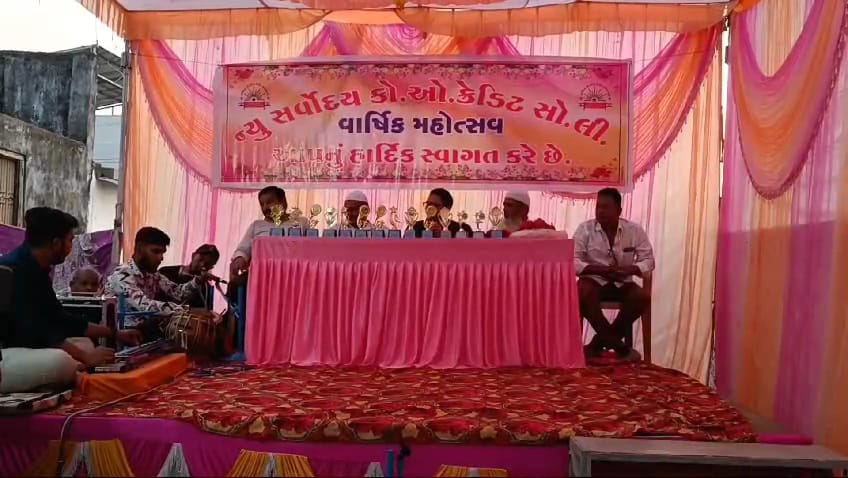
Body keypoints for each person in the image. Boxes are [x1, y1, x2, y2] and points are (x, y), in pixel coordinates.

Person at [0, 207, 140, 393]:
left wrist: (115, 334)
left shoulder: (35, 268)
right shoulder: (15, 270)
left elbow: (60, 319)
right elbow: (39, 331)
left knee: (84, 344)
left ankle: (57, 379)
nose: (71, 246)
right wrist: (87, 358)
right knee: (61, 361)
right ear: (56, 243)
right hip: (5, 354)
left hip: (21, 348)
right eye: (70, 240)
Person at [573, 188, 654, 359]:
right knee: (582, 292)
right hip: (594, 280)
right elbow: (573, 260)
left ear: (619, 211)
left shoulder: (634, 230)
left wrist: (630, 269)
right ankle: (621, 348)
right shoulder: (584, 229)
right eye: (598, 207)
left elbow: (648, 260)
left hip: (622, 281)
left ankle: (595, 346)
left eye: (605, 207)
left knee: (641, 297)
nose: (600, 211)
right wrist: (598, 269)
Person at [105, 227, 210, 330]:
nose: (161, 258)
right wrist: (188, 310)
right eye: (156, 251)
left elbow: (178, 293)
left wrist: (198, 280)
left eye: (162, 253)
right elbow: (143, 305)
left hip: (145, 333)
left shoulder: (153, 275)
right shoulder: (122, 274)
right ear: (140, 248)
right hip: (123, 336)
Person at [229, 186, 307, 281]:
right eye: (262, 204)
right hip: (262, 276)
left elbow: (310, 250)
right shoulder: (256, 226)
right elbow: (243, 250)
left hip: (293, 275)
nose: (265, 207)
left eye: (269, 202)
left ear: (283, 202)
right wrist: (240, 258)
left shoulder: (301, 223)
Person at [158, 244, 220, 308]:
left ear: (211, 267)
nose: (202, 265)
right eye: (200, 259)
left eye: (207, 264)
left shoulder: (205, 288)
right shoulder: (166, 271)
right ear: (193, 255)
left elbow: (204, 311)